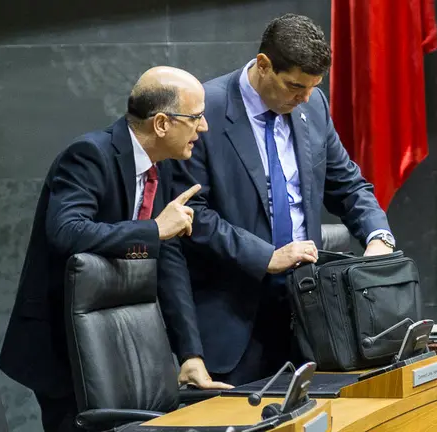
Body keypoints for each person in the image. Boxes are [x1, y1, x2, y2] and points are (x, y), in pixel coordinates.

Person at [0, 66, 231, 432]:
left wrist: (190, 354)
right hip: (62, 345)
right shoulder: (89, 154)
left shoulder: (163, 166)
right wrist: (154, 229)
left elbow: (166, 258)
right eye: (195, 117)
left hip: (120, 343)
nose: (203, 128)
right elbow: (66, 231)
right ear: (161, 124)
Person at [170, 13, 396, 387]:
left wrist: (378, 237)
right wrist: (266, 256)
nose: (304, 97)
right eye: (294, 86)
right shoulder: (203, 108)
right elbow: (192, 212)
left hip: (308, 316)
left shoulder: (313, 106)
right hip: (233, 319)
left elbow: (349, 185)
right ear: (263, 65)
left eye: (312, 87)